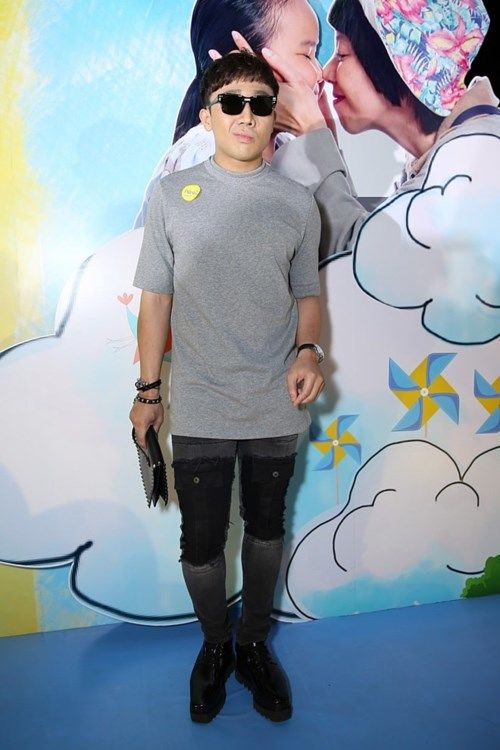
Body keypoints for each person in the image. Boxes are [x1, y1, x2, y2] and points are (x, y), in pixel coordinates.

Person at [130, 51, 324, 723]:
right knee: (202, 541)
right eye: (232, 103)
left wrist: (308, 352)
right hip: (201, 402)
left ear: (274, 117)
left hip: (276, 400)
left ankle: (254, 644)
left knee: (267, 529)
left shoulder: (298, 204)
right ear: (208, 115)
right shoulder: (171, 197)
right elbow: (155, 302)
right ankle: (216, 645)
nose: (247, 115)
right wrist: (147, 393)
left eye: (261, 103)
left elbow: (307, 295)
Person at [246, 0, 499, 259]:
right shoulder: (450, 155)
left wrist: (313, 135)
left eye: (342, 54)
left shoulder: (475, 163)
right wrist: (324, 148)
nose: (326, 72)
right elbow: (374, 234)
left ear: (398, 61)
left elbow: (363, 267)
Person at [133, 0, 327, 228]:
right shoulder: (207, 152)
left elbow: (344, 239)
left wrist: (319, 136)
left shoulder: (288, 146)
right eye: (307, 54)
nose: (320, 73)